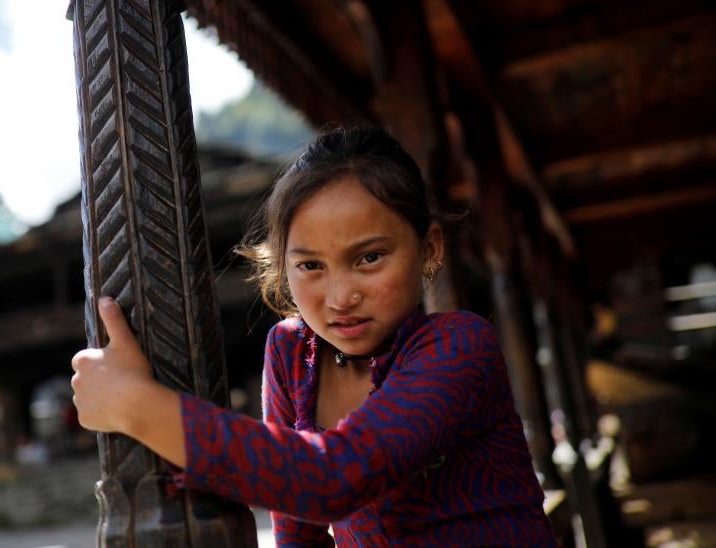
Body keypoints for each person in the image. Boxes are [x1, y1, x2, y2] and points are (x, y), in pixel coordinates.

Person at [71, 126, 556, 545]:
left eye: (369, 258)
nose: (340, 297)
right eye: (310, 266)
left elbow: (331, 480)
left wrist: (133, 405)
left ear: (428, 248)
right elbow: (298, 532)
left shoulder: (460, 346)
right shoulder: (290, 352)